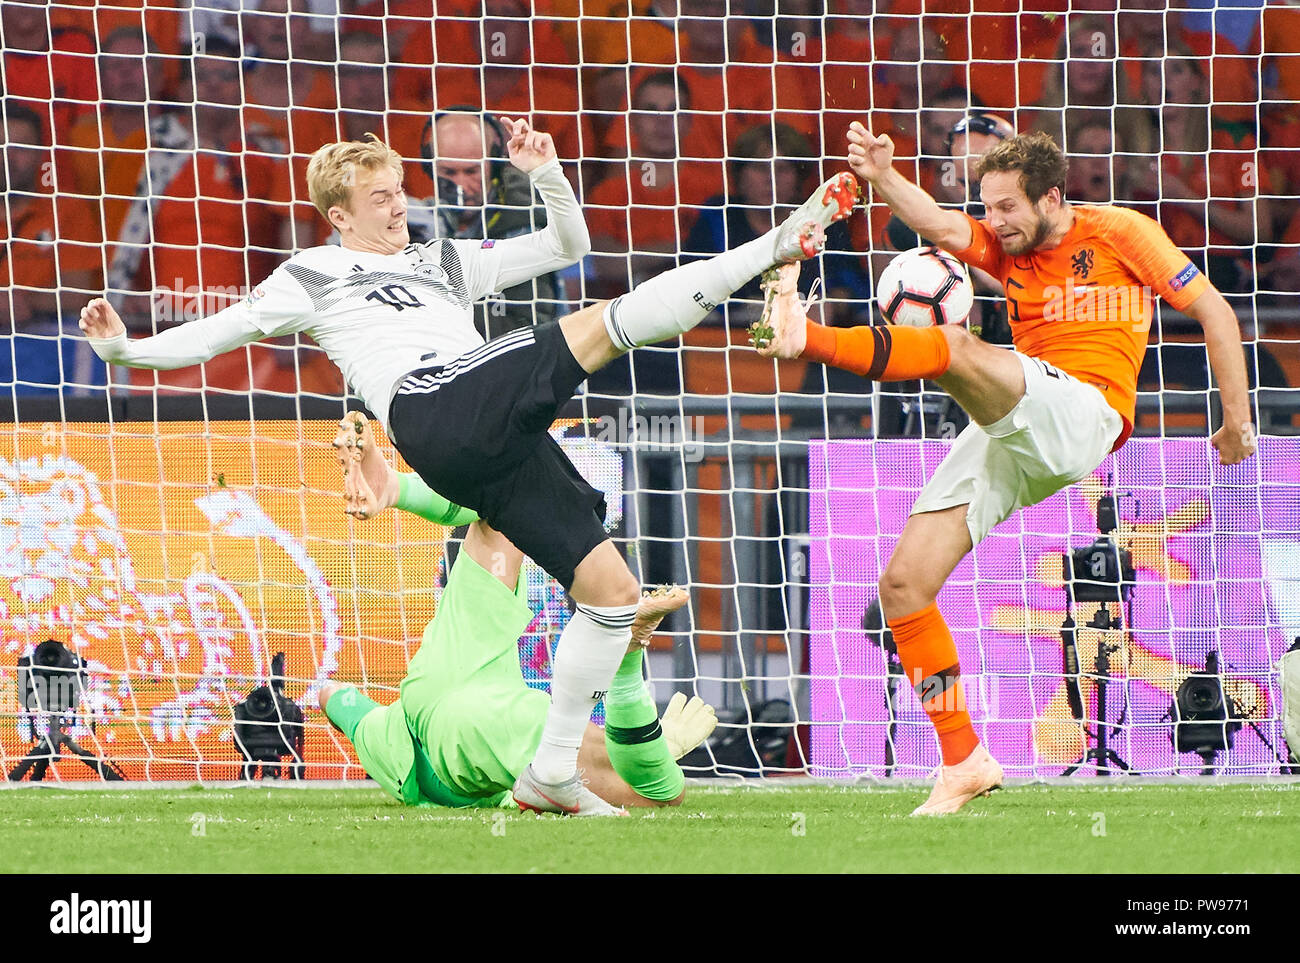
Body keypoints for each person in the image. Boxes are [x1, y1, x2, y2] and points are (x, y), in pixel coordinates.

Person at [79, 120, 858, 814]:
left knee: (614, 596)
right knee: (600, 329)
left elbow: (567, 246)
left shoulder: (445, 260)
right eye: (377, 197)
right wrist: (123, 349)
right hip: (433, 404)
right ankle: (776, 246)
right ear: (340, 214)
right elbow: (222, 333)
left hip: (485, 438)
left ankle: (551, 771)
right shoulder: (311, 273)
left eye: (398, 191)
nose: (396, 206)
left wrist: (545, 174)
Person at [753, 123, 1256, 815]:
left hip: (1086, 414)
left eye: (1007, 207)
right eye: (986, 207)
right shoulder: (1001, 245)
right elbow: (933, 220)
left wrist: (1235, 419)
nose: (994, 223)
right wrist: (880, 174)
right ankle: (963, 758)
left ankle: (802, 336)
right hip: (1020, 421)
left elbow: (1215, 311)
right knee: (903, 586)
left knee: (953, 346)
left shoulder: (1122, 232)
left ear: (1051, 196)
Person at [319, 411, 717, 811]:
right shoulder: (378, 738)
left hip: (472, 717)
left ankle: (628, 668)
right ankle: (395, 488)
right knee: (500, 511)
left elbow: (335, 698)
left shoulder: (391, 745)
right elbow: (335, 697)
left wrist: (668, 746)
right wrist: (337, 704)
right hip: (446, 670)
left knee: (657, 789)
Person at [406, 110, 563, 339]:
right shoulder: (417, 221)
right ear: (430, 168)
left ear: (494, 163)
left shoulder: (526, 224)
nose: (461, 185)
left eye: (471, 171)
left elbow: (528, 330)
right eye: (448, 172)